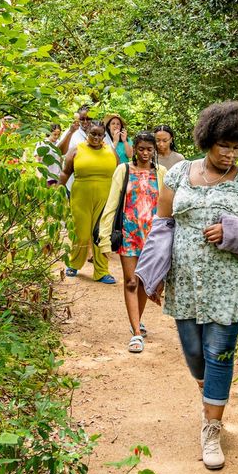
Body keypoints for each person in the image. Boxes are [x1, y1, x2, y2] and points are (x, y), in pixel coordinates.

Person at [151, 102, 238, 470]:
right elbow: (162, 224)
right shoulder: (178, 176)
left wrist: (233, 231)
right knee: (193, 351)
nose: (231, 155)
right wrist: (151, 274)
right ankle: (211, 399)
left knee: (219, 352)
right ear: (208, 140)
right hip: (185, 282)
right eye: (225, 146)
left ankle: (212, 427)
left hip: (228, 285)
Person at [99, 132, 167, 353]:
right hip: (129, 233)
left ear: (154, 150)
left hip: (153, 236)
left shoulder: (162, 173)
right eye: (141, 149)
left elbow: (169, 206)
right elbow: (112, 203)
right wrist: (104, 236)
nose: (145, 153)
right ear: (134, 149)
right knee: (130, 281)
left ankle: (136, 320)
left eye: (149, 149)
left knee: (146, 283)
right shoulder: (124, 170)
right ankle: (136, 333)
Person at [58, 123, 118, 282]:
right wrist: (56, 192)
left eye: (100, 135)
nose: (97, 138)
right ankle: (74, 264)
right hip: (80, 197)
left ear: (104, 136)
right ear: (87, 134)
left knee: (101, 234)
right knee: (82, 234)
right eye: (93, 134)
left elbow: (120, 174)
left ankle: (102, 271)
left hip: (106, 197)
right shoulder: (77, 150)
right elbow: (65, 173)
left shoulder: (111, 151)